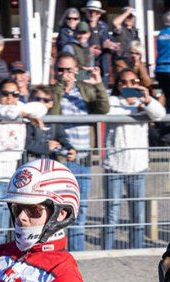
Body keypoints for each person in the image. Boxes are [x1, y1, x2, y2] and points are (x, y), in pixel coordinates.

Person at [42, 52, 107, 250]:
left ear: (76, 70)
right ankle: (57, 253)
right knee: (56, 212)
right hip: (60, 159)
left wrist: (98, 85)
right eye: (60, 70)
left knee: (80, 211)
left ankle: (78, 255)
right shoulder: (50, 91)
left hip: (83, 159)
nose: (64, 74)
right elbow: (51, 115)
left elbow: (103, 109)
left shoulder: (85, 90)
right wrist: (61, 87)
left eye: (69, 70)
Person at [101, 69, 163, 250]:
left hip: (138, 166)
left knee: (138, 214)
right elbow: (104, 111)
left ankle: (137, 248)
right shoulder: (112, 102)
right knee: (112, 212)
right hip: (115, 166)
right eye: (124, 82)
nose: (129, 86)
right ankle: (106, 250)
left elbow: (160, 114)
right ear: (118, 85)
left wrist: (147, 100)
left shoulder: (144, 103)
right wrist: (129, 105)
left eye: (133, 81)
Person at [0, 79, 44, 236]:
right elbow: (2, 112)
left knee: (11, 227)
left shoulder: (21, 108)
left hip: (13, 176)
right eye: (5, 93)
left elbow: (40, 108)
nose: (10, 97)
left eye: (15, 94)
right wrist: (25, 114)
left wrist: (25, 112)